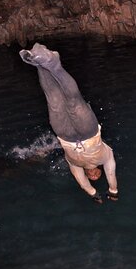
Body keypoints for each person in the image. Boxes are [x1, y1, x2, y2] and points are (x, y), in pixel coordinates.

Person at [19, 43, 118, 203]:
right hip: (89, 131)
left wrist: (92, 193)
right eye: (97, 175)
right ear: (100, 171)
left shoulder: (75, 166)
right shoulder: (105, 157)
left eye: (90, 177)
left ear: (86, 174)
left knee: (54, 101)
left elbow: (82, 183)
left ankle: (39, 63)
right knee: (74, 102)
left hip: (65, 135)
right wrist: (113, 191)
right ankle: (54, 64)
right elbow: (112, 174)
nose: (93, 176)